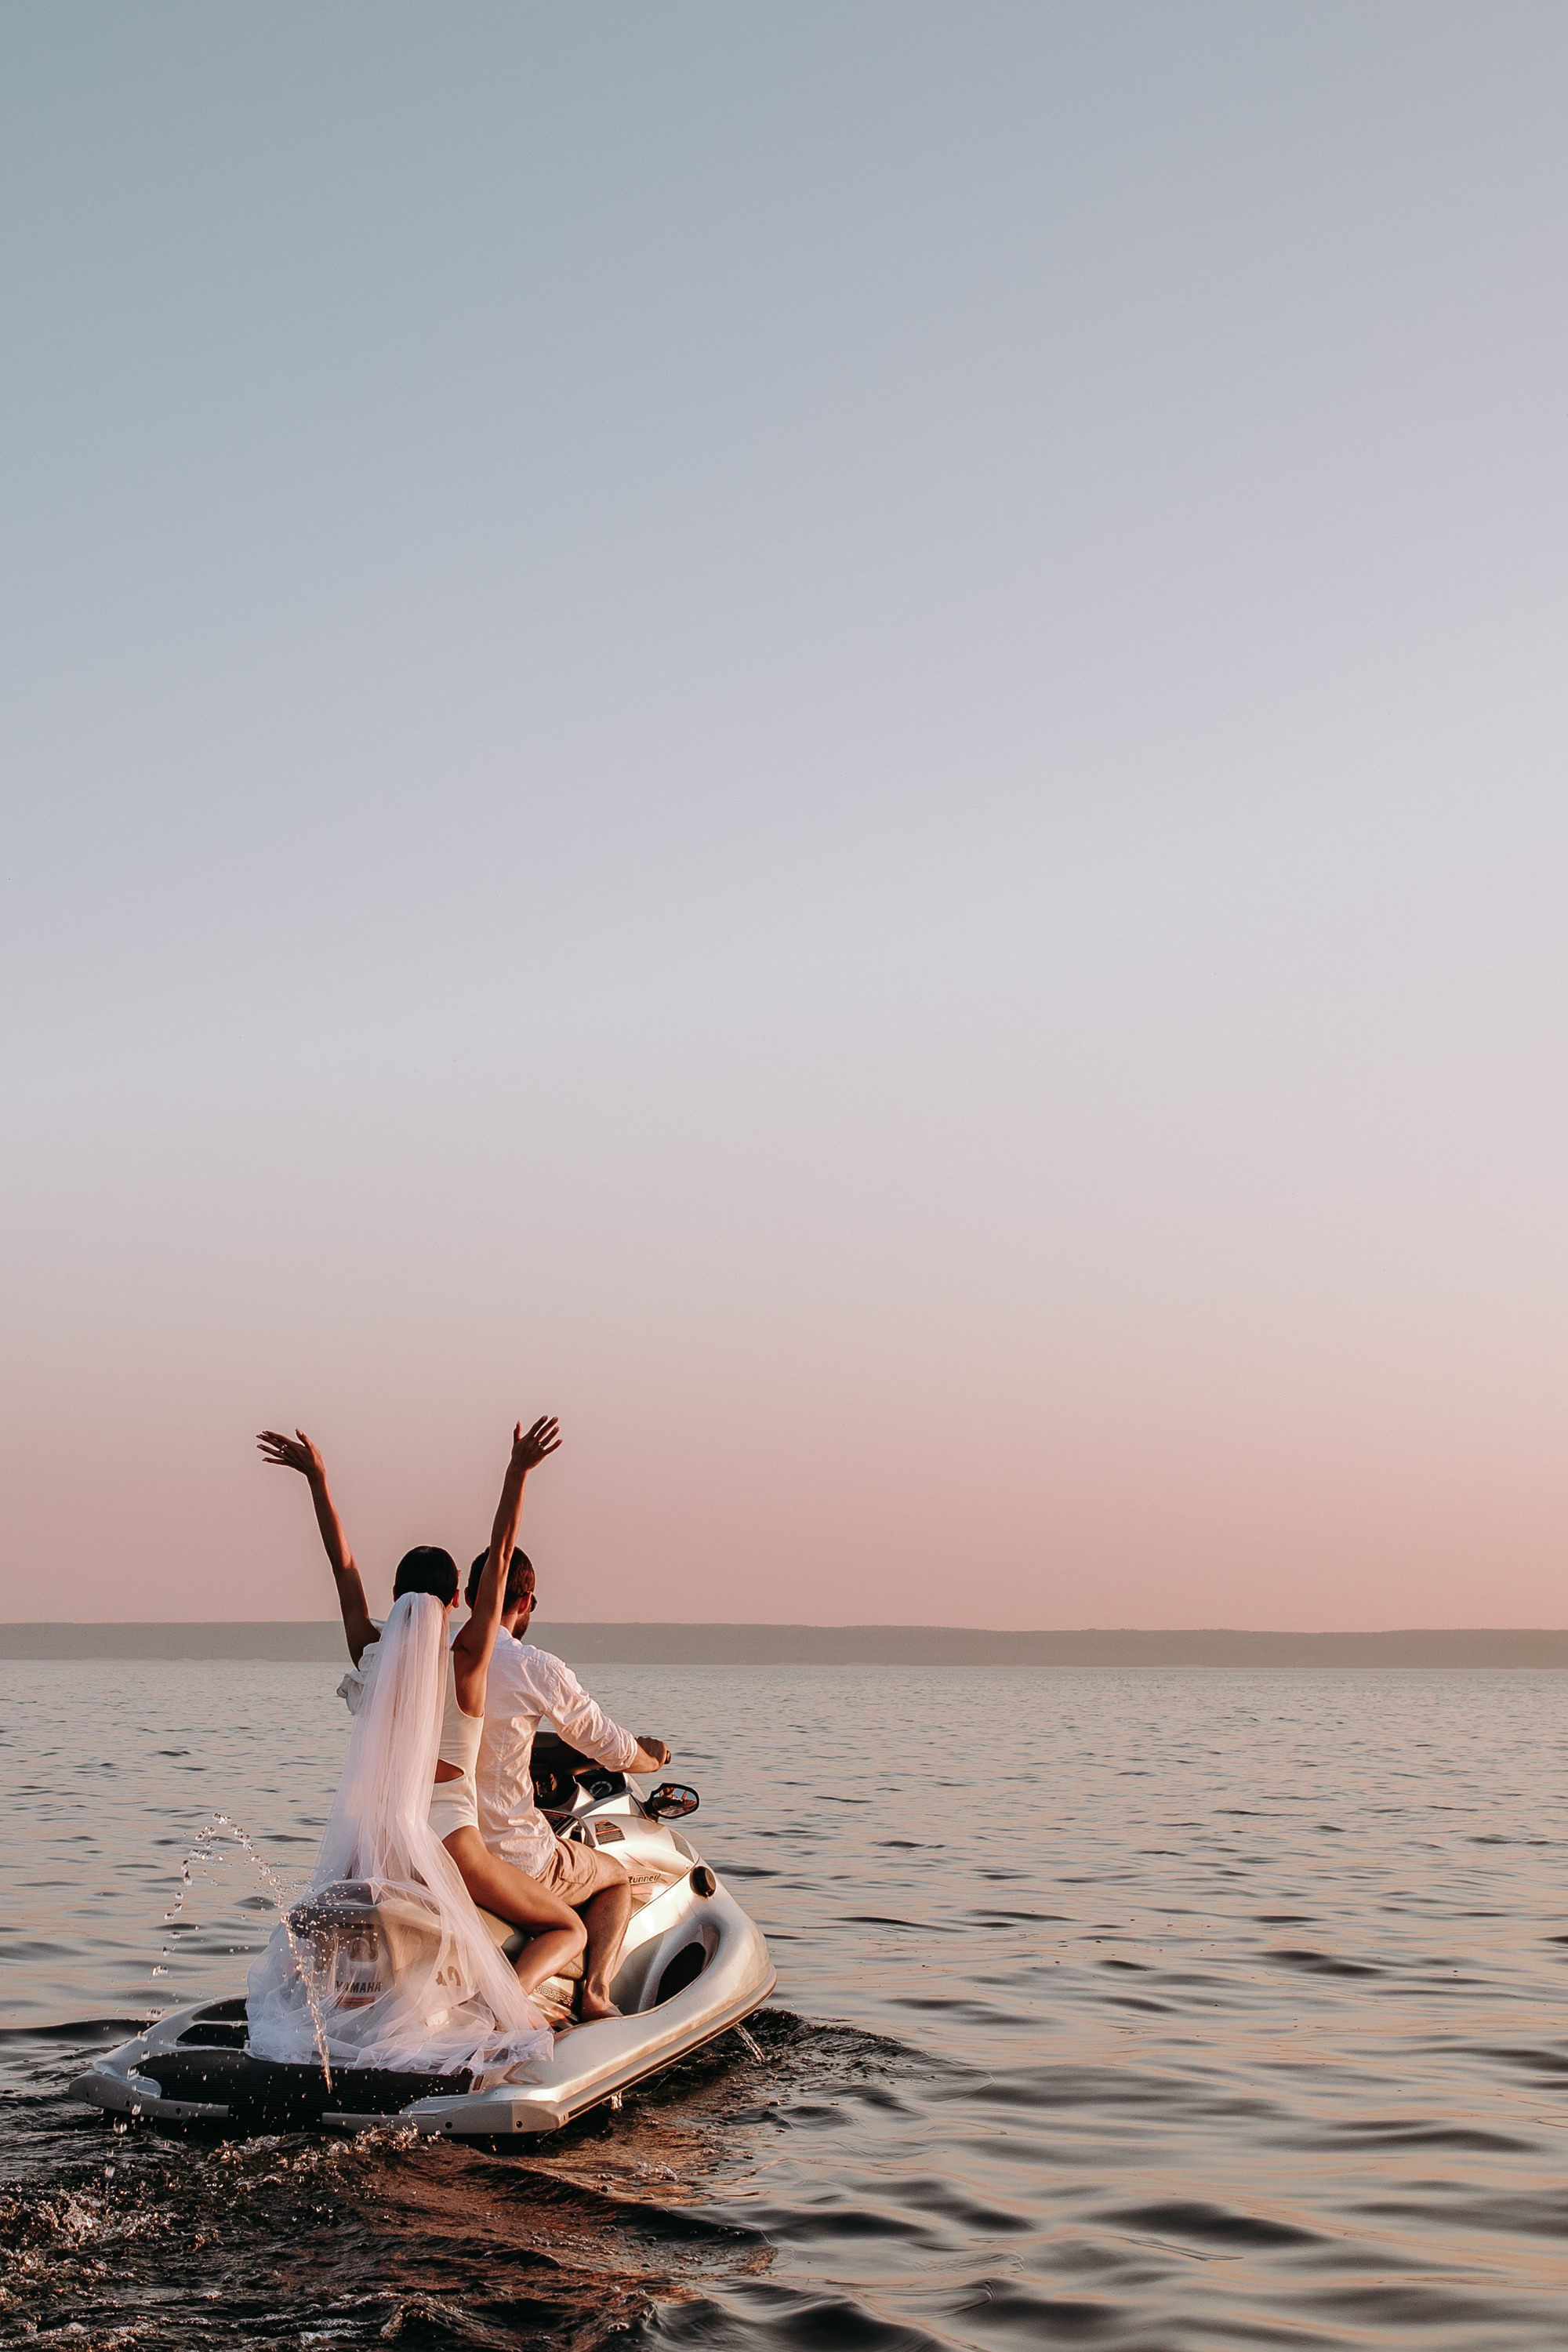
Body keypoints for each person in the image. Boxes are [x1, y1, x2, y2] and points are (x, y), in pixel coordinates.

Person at [245, 1428, 564, 2082]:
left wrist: (317, 1480)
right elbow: (502, 1555)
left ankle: (350, 2020)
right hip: (451, 1844)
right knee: (568, 1928)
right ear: (458, 1599)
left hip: (375, 1843)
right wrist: (517, 1472)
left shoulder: (372, 1658)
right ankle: (507, 2006)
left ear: (395, 1600)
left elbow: (343, 1569)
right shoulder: (468, 1661)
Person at [467, 1544, 671, 2020]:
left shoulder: (435, 1658)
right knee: (614, 1877)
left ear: (470, 1596)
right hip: (510, 1852)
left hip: (444, 1846)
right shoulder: (532, 1666)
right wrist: (650, 1758)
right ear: (525, 1601)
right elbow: (608, 1745)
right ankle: (596, 1995)